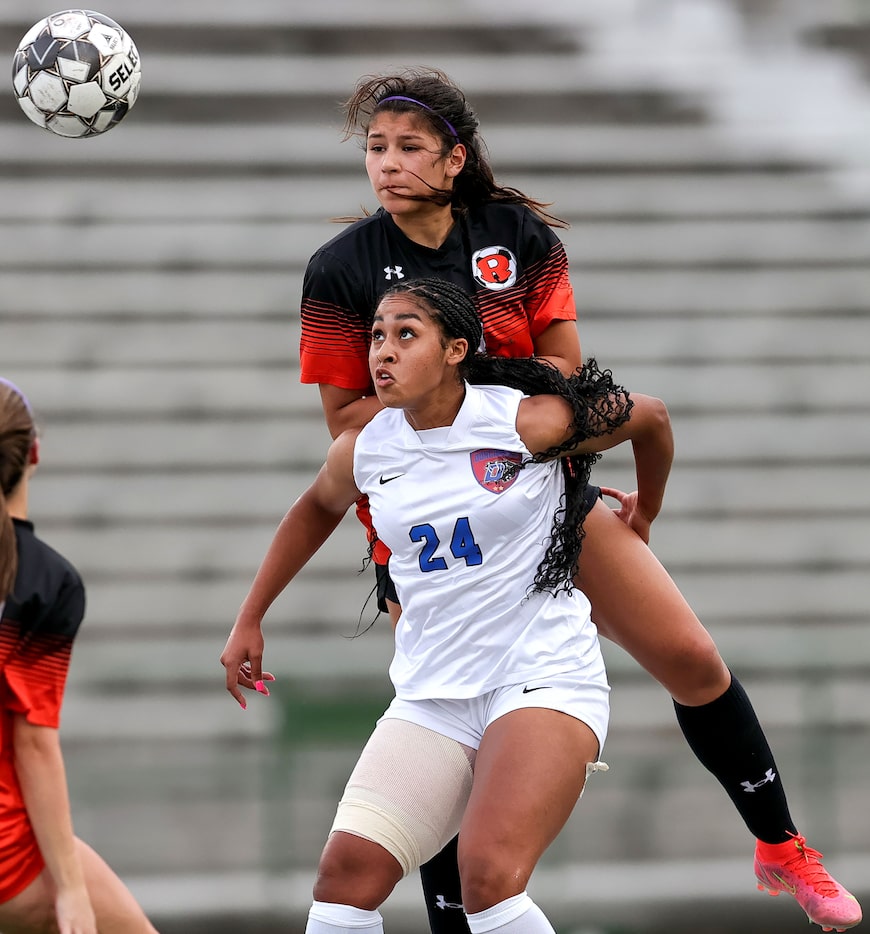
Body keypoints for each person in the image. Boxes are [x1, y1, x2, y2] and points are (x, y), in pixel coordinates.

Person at [295, 67, 862, 934]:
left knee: (692, 659)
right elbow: (345, 423)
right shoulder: (341, 270)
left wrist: (486, 410)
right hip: (433, 525)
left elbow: (566, 362)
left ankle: (782, 845)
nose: (389, 163)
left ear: (455, 160)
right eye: (377, 147)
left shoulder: (513, 235)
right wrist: (448, 414)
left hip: (538, 491)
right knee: (449, 737)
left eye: (410, 146)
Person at [223, 277, 677, 933]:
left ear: (456, 349)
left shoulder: (526, 421)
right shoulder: (367, 447)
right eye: (376, 336)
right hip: (434, 694)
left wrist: (647, 511)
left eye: (406, 335)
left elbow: (652, 418)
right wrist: (250, 616)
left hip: (542, 678)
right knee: (341, 886)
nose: (382, 352)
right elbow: (313, 511)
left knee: (487, 881)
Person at [0, 378, 159, 934]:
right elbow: (33, 744)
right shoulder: (43, 580)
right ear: (34, 452)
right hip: (10, 864)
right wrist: (69, 892)